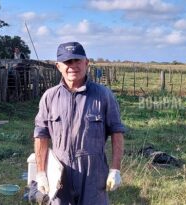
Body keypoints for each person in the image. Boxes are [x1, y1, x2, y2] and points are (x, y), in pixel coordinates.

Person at [33, 41, 126, 204]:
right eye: (68, 62)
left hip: (94, 175)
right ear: (58, 66)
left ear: (86, 63)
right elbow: (41, 135)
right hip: (60, 175)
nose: (73, 66)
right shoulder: (49, 97)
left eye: (77, 60)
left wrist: (115, 169)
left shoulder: (103, 95)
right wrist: (40, 173)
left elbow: (117, 132)